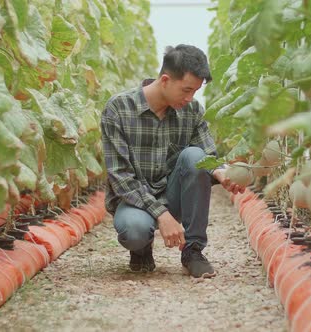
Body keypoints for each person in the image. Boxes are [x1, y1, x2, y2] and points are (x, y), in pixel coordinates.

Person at [100, 44, 246, 278]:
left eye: (195, 92)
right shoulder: (118, 108)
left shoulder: (192, 111)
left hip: (172, 193)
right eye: (186, 90)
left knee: (195, 156)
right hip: (134, 199)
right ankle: (141, 249)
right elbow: (120, 177)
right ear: (165, 80)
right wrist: (162, 215)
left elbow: (207, 155)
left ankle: (193, 251)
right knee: (135, 231)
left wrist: (221, 173)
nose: (190, 98)